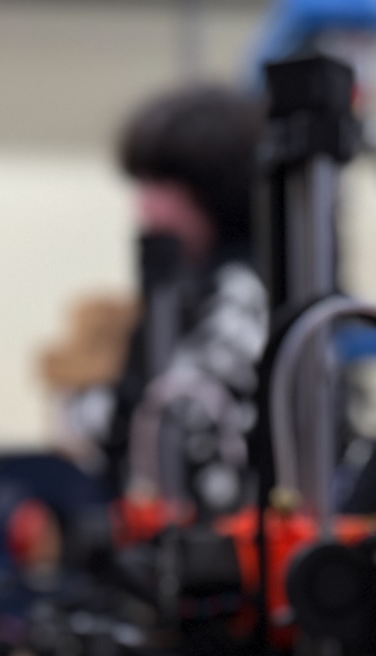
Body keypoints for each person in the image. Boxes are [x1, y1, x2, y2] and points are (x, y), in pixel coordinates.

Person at [76, 84, 269, 519]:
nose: (144, 209)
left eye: (159, 185)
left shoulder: (241, 296)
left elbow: (177, 426)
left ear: (213, 187)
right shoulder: (184, 291)